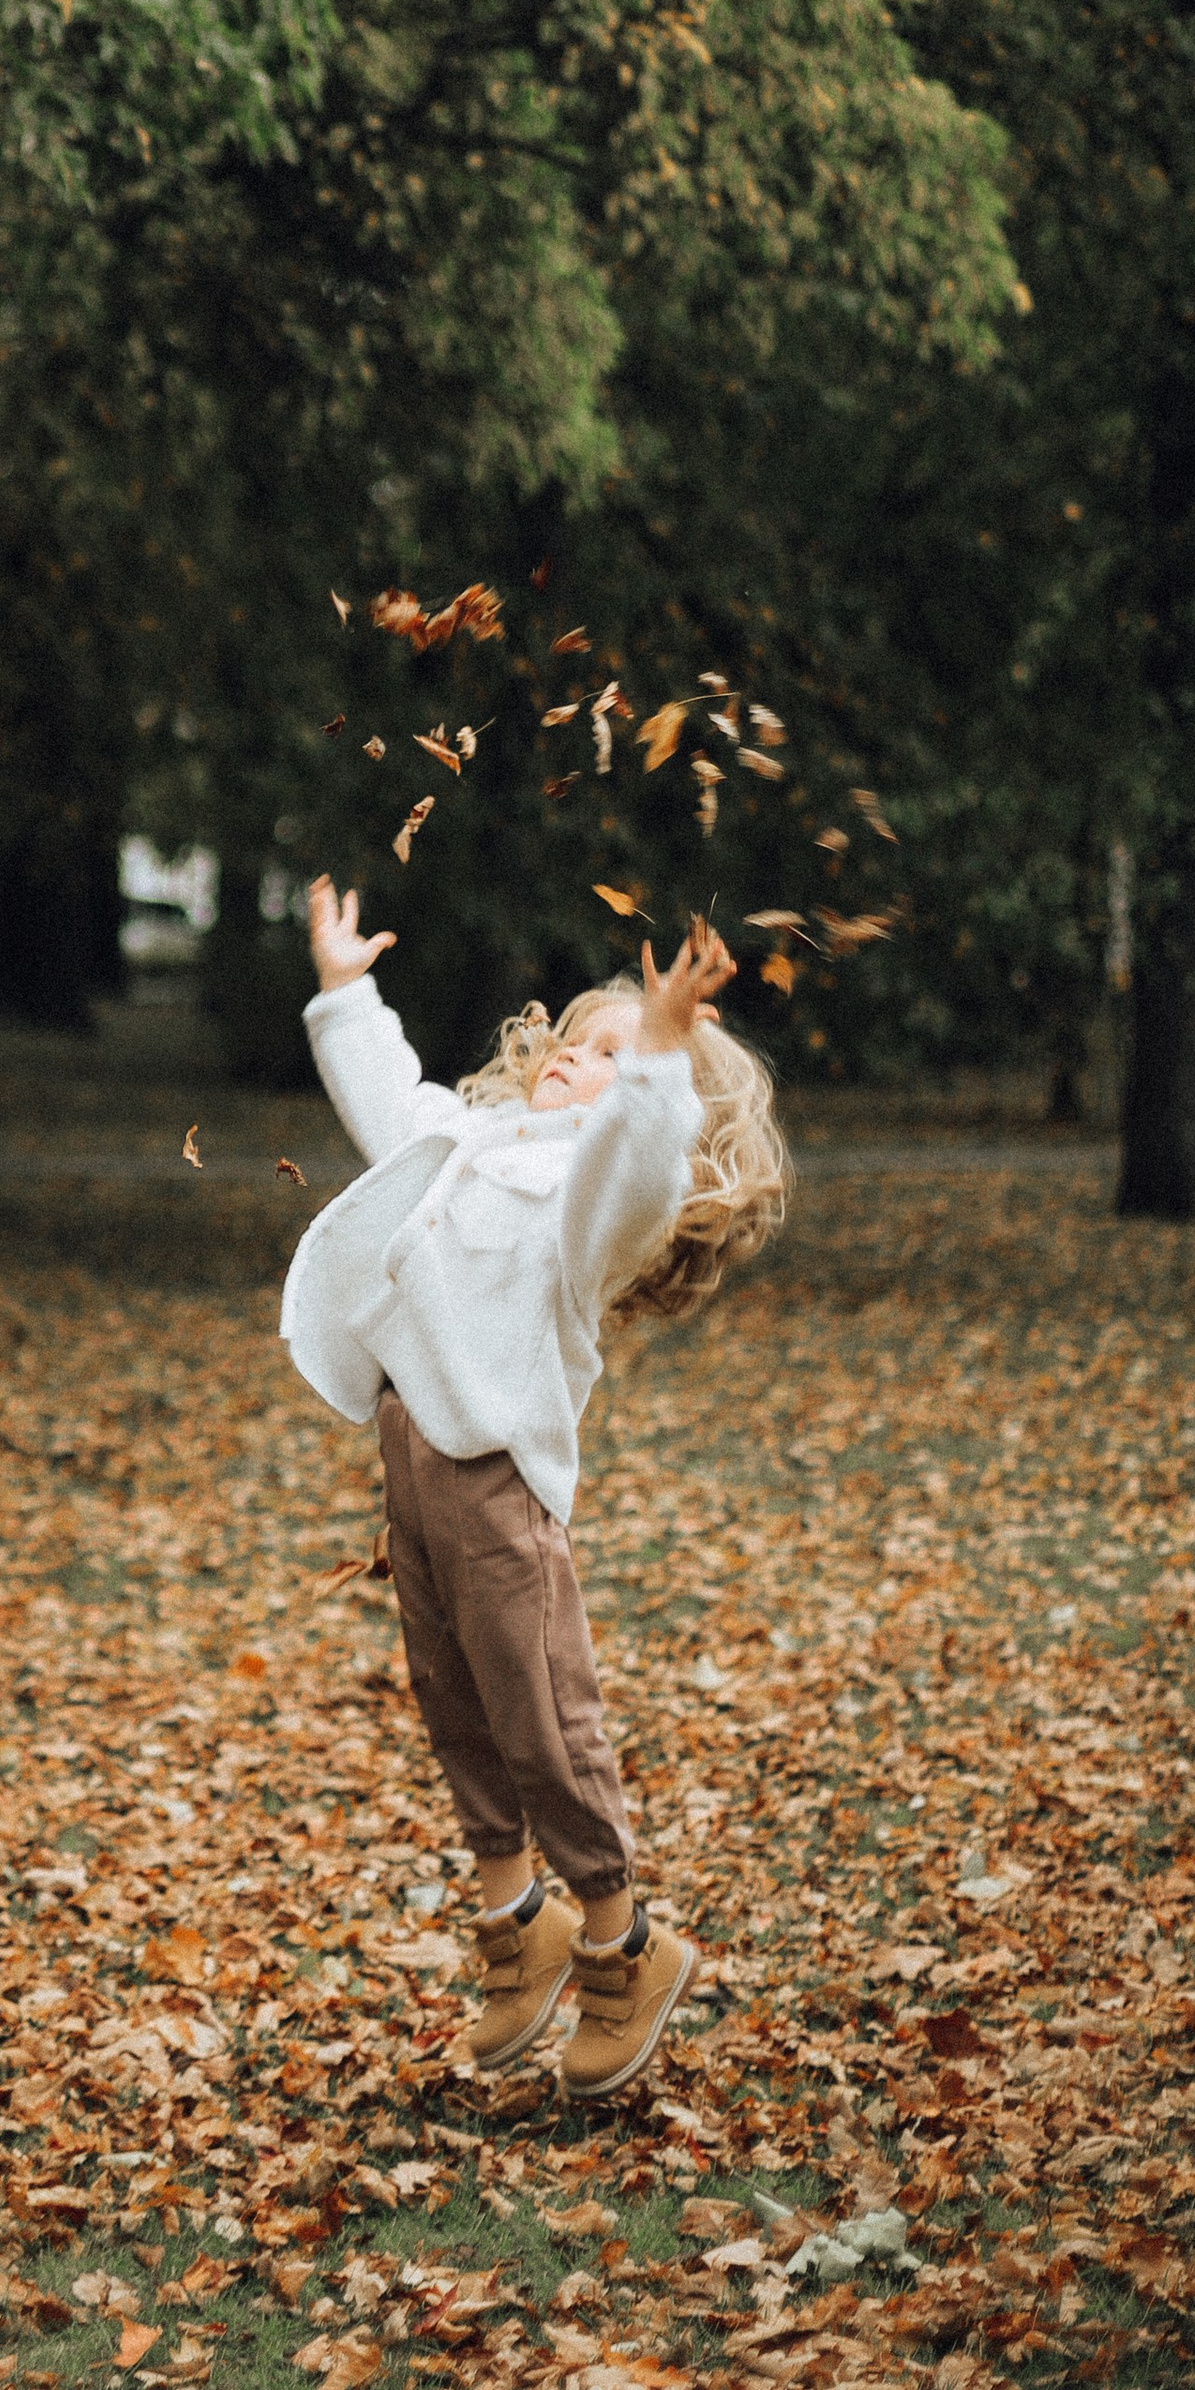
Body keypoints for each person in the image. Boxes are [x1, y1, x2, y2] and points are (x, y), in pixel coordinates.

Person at [282, 884, 786, 2097]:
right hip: (412, 1456)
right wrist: (348, 993)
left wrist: (659, 1061)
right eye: (578, 1033)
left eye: (607, 1052)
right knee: (454, 1709)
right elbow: (390, 1108)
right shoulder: (477, 1137)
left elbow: (633, 1163)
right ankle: (521, 1937)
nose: (574, 1049)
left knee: (544, 1728)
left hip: (498, 1484)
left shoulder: (589, 1206)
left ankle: (623, 1948)